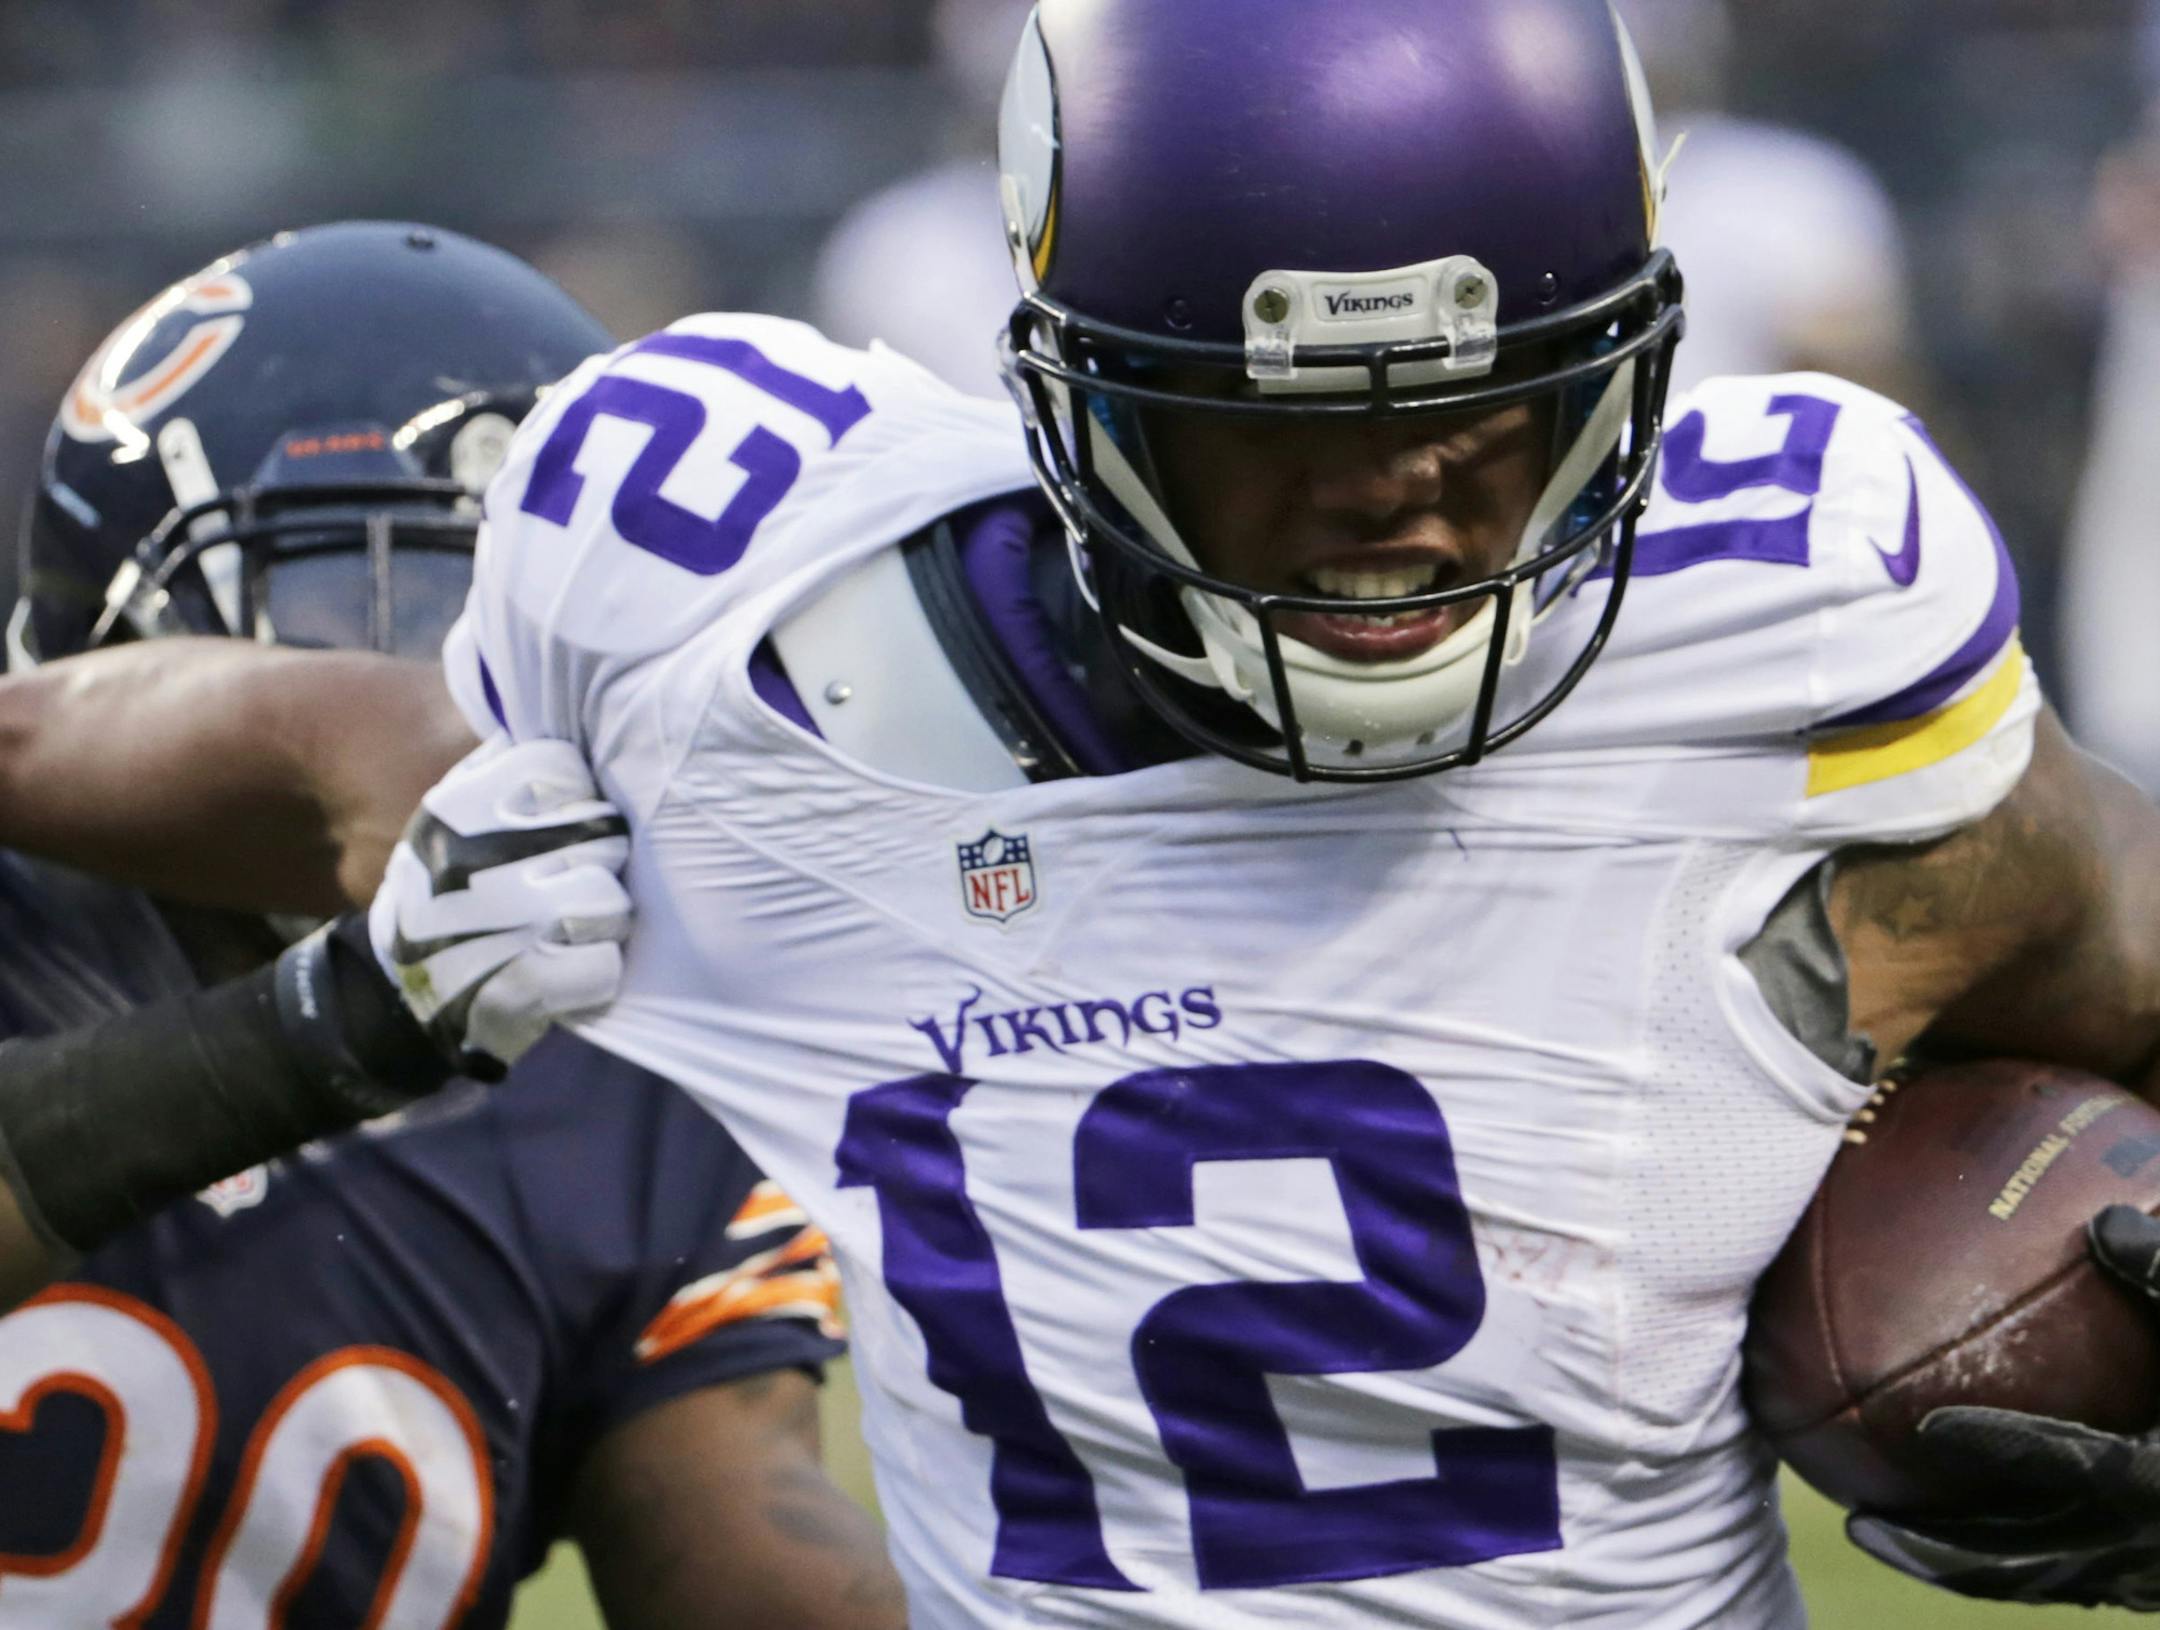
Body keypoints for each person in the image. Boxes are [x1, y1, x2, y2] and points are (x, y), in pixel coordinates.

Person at [8, 3, 2160, 1621]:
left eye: (1493, 403)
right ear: (1078, 392)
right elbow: (244, 737)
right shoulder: (733, 641)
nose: (1401, 496)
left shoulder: (1795, 634)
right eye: (1283, 419)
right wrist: (347, 991)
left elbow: (2118, 923)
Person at [0, 223, 902, 1629]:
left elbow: (748, 1558)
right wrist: (330, 1028)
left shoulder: (628, 1075)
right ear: (121, 627)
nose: (460, 708)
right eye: (369, 607)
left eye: (505, 629)